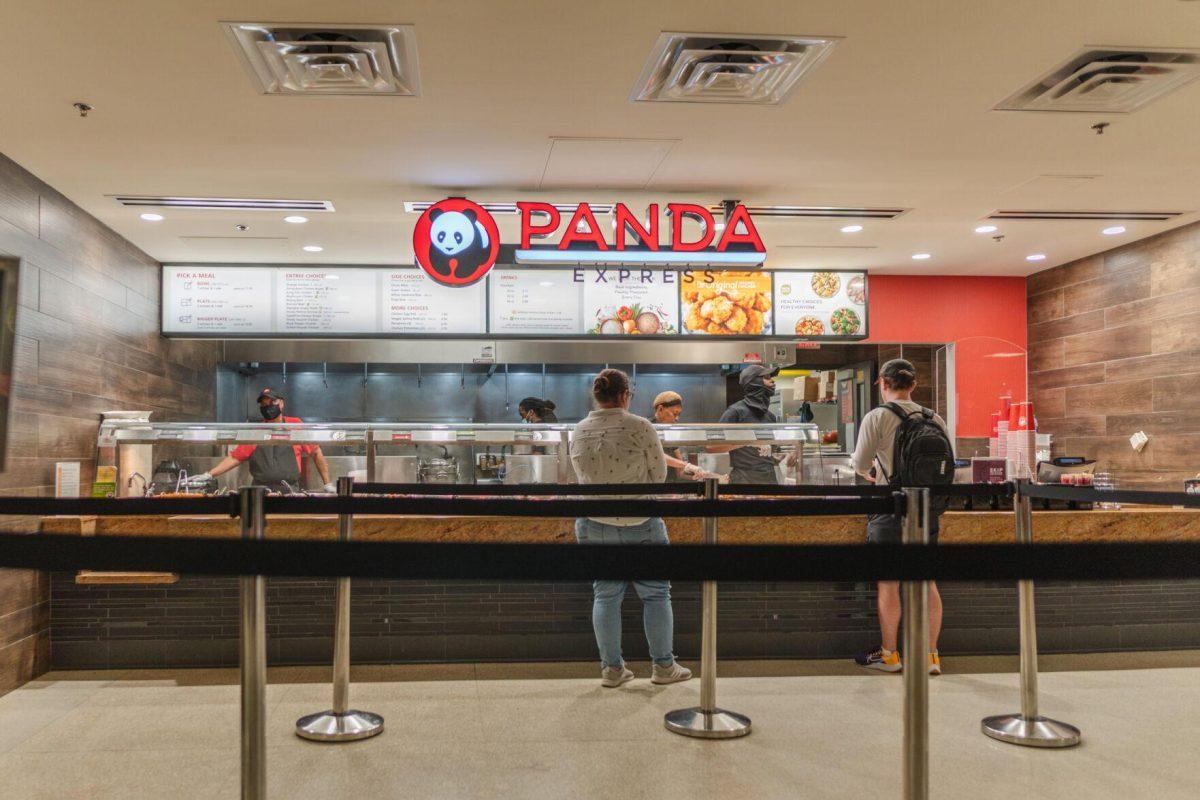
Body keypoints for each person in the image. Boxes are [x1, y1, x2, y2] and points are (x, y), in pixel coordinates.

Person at [570, 369, 692, 688]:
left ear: (597, 395)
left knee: (606, 595)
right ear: (626, 395)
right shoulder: (640, 426)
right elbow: (658, 476)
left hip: (595, 521)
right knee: (655, 593)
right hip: (641, 520)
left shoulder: (579, 430)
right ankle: (663, 667)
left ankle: (612, 670)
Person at [851, 358, 953, 676]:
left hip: (889, 508)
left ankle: (890, 655)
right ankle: (930, 656)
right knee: (926, 581)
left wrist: (865, 470)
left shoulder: (877, 417)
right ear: (913, 386)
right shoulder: (933, 417)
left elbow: (861, 462)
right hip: (925, 509)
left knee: (889, 583)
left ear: (882, 383)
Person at [191, 389, 334, 493]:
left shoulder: (295, 425)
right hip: (259, 493)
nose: (268, 407)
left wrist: (327, 483)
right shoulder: (256, 430)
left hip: (289, 491)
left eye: (272, 402)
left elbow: (316, 453)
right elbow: (235, 458)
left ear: (281, 404)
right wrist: (209, 474)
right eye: (264, 405)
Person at [716, 364, 781, 484]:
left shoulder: (770, 416)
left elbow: (773, 452)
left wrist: (786, 457)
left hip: (770, 479)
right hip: (743, 480)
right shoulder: (735, 412)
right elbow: (712, 447)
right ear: (754, 382)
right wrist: (747, 442)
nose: (772, 380)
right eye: (766, 377)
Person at [651, 390, 705, 482]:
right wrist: (686, 465)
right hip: (650, 486)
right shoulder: (647, 427)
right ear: (660, 409)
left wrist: (696, 476)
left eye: (679, 415)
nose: (677, 419)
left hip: (670, 490)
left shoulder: (670, 431)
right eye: (674, 413)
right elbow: (656, 455)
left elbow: (680, 473)